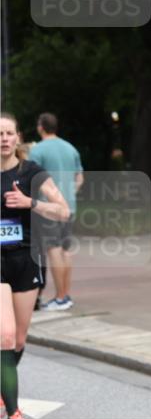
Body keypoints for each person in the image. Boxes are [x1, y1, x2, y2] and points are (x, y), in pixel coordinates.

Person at [1, 112, 71, 419]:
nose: (3, 138)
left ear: (18, 138)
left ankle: (3, 389)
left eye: (8, 133)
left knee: (18, 340)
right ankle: (14, 415)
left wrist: (30, 203)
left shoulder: (31, 172)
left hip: (26, 260)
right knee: (4, 335)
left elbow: (63, 209)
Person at [29, 112, 83, 311]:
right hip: (69, 206)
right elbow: (80, 178)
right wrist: (68, 195)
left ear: (41, 127)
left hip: (48, 209)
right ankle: (65, 295)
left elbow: (33, 180)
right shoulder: (70, 148)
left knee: (53, 250)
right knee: (66, 250)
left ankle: (59, 298)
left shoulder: (38, 151)